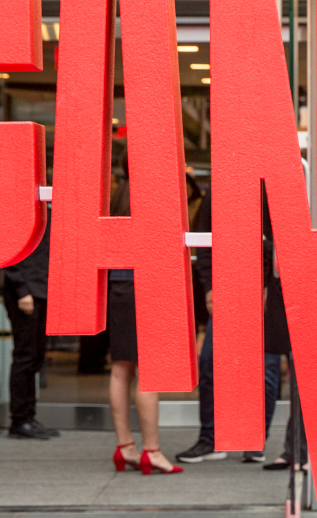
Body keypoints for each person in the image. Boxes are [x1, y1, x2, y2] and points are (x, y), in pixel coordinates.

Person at [175, 186, 289, 465]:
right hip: (227, 287)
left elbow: (284, 239)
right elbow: (205, 242)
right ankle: (210, 440)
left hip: (266, 291)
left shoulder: (275, 185)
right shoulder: (219, 188)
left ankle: (254, 442)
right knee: (210, 363)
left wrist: (270, 286)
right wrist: (209, 287)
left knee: (266, 368)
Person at [107, 152, 182, 474]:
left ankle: (125, 447)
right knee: (148, 369)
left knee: (121, 368)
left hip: (118, 286)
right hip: (146, 287)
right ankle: (152, 450)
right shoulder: (153, 198)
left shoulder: (116, 198)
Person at [1, 205, 60, 439]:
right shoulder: (20, 209)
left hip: (43, 289)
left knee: (35, 356)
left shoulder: (51, 209)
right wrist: (22, 290)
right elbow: (8, 251)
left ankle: (29, 417)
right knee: (25, 356)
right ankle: (19, 420)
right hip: (26, 293)